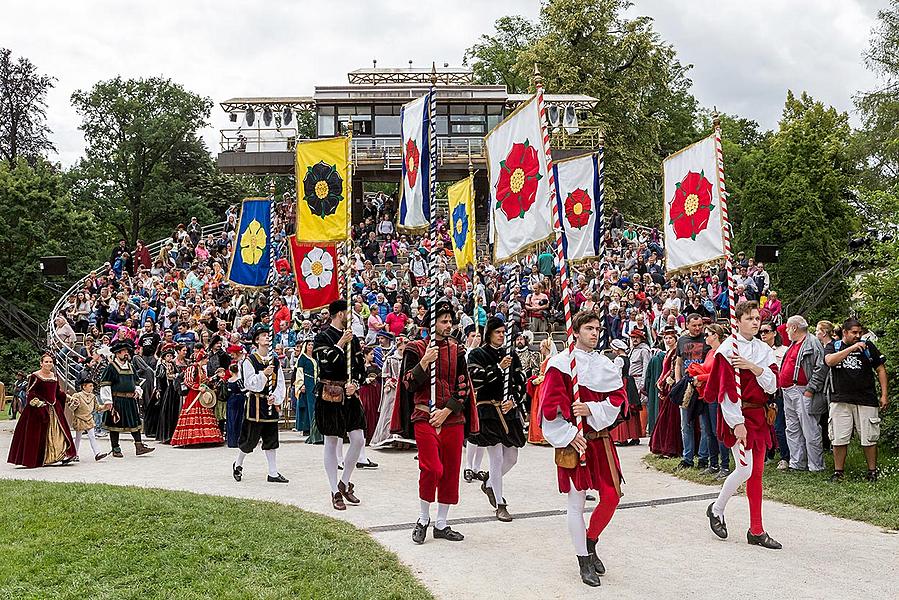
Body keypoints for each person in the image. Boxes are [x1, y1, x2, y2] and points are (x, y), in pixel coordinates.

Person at [541, 311, 626, 587]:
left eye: (597, 328)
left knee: (612, 496)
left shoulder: (606, 364)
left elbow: (619, 401)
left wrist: (591, 408)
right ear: (575, 331)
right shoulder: (561, 364)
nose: (594, 333)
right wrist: (568, 434)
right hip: (575, 441)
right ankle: (583, 560)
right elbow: (550, 408)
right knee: (576, 503)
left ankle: (590, 541)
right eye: (589, 328)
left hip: (601, 440)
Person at [393, 300, 479, 544]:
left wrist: (446, 411)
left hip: (452, 419)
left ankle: (441, 523)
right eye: (443, 321)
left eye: (450, 321)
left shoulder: (457, 349)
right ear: (433, 324)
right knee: (432, 468)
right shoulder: (416, 348)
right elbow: (408, 384)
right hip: (424, 415)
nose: (448, 325)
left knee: (451, 471)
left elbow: (463, 388)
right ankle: (423, 518)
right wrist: (424, 362)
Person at [703, 301, 781, 550]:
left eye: (758, 318)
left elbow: (772, 385)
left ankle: (756, 530)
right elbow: (726, 393)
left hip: (759, 415)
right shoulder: (728, 349)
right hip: (738, 416)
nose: (756, 322)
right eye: (750, 318)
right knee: (745, 470)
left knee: (757, 473)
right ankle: (716, 509)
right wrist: (737, 424)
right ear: (737, 321)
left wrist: (752, 367)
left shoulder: (763, 349)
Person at [467, 317, 527, 522]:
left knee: (512, 456)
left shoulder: (511, 354)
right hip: (489, 411)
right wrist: (499, 368)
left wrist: (514, 400)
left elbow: (520, 381)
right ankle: (500, 504)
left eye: (504, 332)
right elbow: (478, 381)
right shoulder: (477, 354)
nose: (502, 335)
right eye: (498, 332)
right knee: (496, 456)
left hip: (508, 410)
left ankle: (490, 484)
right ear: (489, 333)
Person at [313, 300, 366, 510]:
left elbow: (360, 367)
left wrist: (356, 384)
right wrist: (340, 344)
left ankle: (344, 482)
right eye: (347, 313)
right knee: (331, 441)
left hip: (349, 395)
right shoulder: (322, 337)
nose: (350, 317)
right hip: (330, 394)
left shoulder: (354, 339)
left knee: (358, 439)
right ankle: (334, 490)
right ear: (339, 314)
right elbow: (326, 363)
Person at [824, 318, 888, 482]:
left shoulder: (868, 347)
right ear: (844, 332)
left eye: (859, 332)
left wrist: (884, 395)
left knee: (869, 437)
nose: (858, 335)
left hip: (866, 398)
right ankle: (838, 472)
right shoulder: (834, 346)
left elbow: (880, 369)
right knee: (839, 437)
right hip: (840, 399)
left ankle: (872, 472)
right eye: (854, 332)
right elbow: (830, 361)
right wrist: (852, 348)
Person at [232, 326, 288, 484]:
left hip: (269, 404)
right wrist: (264, 374)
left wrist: (276, 397)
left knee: (271, 439)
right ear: (257, 340)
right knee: (249, 440)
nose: (267, 338)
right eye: (263, 335)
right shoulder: (250, 361)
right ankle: (238, 464)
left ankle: (273, 472)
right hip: (255, 405)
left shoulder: (274, 360)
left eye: (268, 335)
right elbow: (249, 383)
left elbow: (281, 383)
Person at [7, 354, 78, 468]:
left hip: (54, 409)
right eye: (46, 362)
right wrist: (38, 403)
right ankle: (39, 458)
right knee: (37, 435)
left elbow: (57, 392)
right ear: (41, 363)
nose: (49, 364)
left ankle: (59, 455)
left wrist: (70, 398)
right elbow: (30, 393)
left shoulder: (54, 376)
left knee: (59, 433)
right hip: (38, 409)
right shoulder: (35, 376)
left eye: (50, 362)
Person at [780, 316, 826, 473]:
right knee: (792, 428)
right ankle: (797, 463)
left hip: (802, 390)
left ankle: (815, 466)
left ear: (794, 328)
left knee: (810, 429)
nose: (786, 331)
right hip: (788, 390)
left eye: (787, 328)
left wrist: (810, 389)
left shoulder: (812, 342)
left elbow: (821, 367)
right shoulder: (794, 343)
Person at [688, 324, 731, 477]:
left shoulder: (722, 352)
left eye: (707, 334)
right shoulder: (710, 353)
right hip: (705, 394)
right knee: (708, 431)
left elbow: (717, 374)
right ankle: (713, 463)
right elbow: (708, 371)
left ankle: (724, 465)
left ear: (715, 335)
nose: (705, 337)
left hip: (716, 394)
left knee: (717, 430)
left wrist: (699, 377)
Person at [99, 340, 155, 458]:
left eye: (127, 351)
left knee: (134, 423)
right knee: (115, 424)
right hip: (117, 400)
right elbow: (105, 384)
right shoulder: (111, 367)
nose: (126, 353)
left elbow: (137, 381)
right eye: (123, 351)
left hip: (130, 400)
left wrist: (137, 391)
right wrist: (108, 401)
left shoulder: (130, 366)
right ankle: (116, 448)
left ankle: (139, 446)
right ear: (117, 353)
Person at [675, 314, 711, 469]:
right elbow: (678, 363)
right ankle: (687, 458)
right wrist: (678, 382)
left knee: (704, 425)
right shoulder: (681, 340)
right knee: (686, 425)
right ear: (687, 325)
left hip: (702, 387)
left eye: (700, 325)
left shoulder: (707, 340)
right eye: (694, 325)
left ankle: (703, 458)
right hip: (687, 387)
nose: (698, 328)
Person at [171, 349, 225, 447]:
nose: (208, 360)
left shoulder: (202, 369)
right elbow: (187, 381)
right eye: (206, 358)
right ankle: (193, 440)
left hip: (202, 395)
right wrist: (198, 387)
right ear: (202, 359)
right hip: (194, 395)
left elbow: (205, 380)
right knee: (194, 415)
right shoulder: (192, 368)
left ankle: (205, 439)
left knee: (204, 415)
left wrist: (213, 378)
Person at [370, 335, 414, 449]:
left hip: (405, 390)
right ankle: (391, 437)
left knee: (405, 412)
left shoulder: (409, 360)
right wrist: (390, 381)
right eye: (401, 349)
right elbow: (385, 375)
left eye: (405, 350)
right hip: (393, 390)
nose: (403, 351)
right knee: (390, 413)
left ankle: (406, 439)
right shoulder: (390, 360)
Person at [649, 327, 683, 458]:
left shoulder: (675, 352)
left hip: (672, 386)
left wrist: (666, 381)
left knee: (671, 418)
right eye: (666, 338)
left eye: (671, 338)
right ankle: (663, 446)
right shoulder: (667, 352)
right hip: (665, 385)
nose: (668, 340)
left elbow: (674, 368)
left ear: (675, 339)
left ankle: (671, 448)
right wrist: (660, 381)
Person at [66, 377, 109, 462]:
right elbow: (71, 408)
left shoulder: (93, 397)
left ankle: (97, 453)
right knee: (78, 437)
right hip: (79, 419)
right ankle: (75, 454)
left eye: (92, 386)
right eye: (90, 386)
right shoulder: (77, 395)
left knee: (92, 436)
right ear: (84, 386)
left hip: (89, 418)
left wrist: (105, 407)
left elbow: (97, 408)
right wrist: (75, 404)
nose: (92, 387)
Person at [526, 338, 557, 445]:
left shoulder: (550, 360)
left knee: (539, 409)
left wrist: (535, 381)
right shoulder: (547, 359)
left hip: (543, 386)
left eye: (541, 347)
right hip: (540, 387)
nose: (540, 349)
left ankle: (541, 436)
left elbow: (546, 375)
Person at [153, 347, 181, 444]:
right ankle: (165, 435)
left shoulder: (174, 365)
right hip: (166, 390)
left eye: (171, 356)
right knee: (166, 411)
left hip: (173, 390)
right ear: (164, 357)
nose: (169, 357)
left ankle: (172, 434)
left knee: (173, 411)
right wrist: (158, 390)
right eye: (167, 356)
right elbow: (159, 379)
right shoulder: (161, 366)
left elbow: (178, 375)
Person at [293, 340, 317, 435]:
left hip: (315, 382)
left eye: (312, 344)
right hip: (307, 383)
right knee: (308, 405)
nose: (311, 346)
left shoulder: (315, 357)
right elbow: (299, 372)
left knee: (314, 405)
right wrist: (301, 384)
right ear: (305, 346)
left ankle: (314, 427)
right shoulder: (302, 358)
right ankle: (307, 427)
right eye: (309, 345)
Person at [224, 363, 246, 448]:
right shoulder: (239, 380)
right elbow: (243, 390)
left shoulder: (229, 381)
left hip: (230, 399)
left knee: (231, 419)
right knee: (238, 419)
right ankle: (238, 440)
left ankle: (231, 441)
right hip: (239, 399)